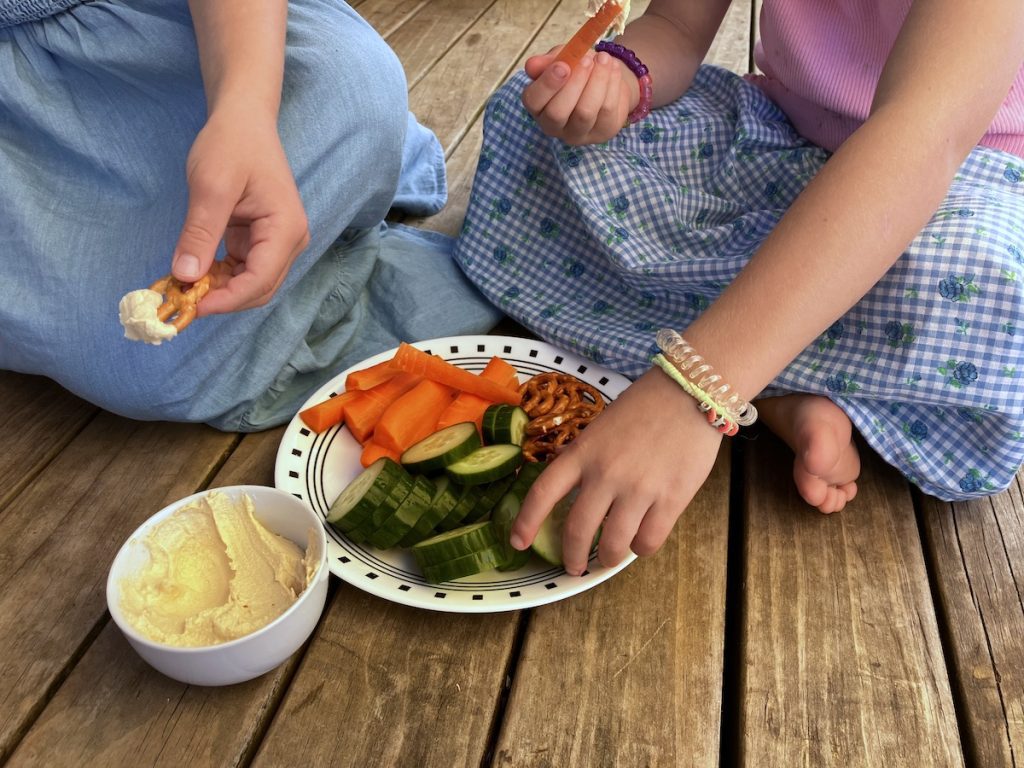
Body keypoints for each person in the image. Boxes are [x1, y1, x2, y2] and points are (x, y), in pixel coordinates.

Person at [451, 0, 1024, 576]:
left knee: (979, 280)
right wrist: (618, 80)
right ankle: (784, 382)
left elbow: (922, 135)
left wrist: (693, 391)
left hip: (954, 181)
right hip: (775, 140)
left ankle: (749, 363)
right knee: (528, 124)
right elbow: (675, 27)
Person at [0, 0, 500, 431]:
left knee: (352, 81)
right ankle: (342, 214)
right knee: (141, 367)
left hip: (172, 33)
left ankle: (352, 175)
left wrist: (245, 108)